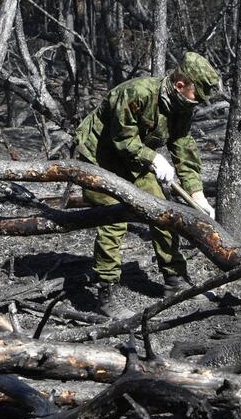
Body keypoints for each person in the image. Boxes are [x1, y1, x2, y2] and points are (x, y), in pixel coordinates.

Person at [74, 52, 220, 318]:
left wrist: (197, 194)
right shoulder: (137, 93)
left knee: (163, 213)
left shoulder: (181, 107)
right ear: (179, 85)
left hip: (134, 161)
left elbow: (184, 148)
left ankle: (175, 280)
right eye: (195, 95)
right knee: (113, 220)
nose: (197, 102)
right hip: (100, 158)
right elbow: (122, 140)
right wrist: (154, 159)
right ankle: (105, 293)